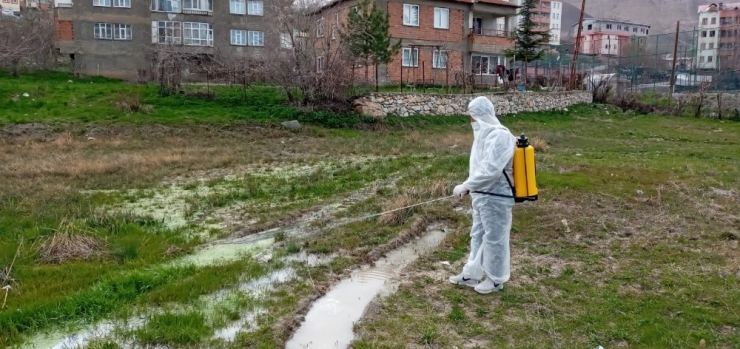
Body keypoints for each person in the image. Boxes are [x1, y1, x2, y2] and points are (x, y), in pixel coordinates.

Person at [449, 96, 516, 294]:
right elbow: (479, 166)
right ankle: (472, 274)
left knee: (495, 238)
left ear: (482, 115)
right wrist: (471, 188)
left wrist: (466, 185)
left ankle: (496, 279)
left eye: (473, 116)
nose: (471, 121)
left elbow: (491, 170)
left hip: (497, 197)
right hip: (481, 196)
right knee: (477, 235)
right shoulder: (483, 135)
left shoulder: (499, 136)